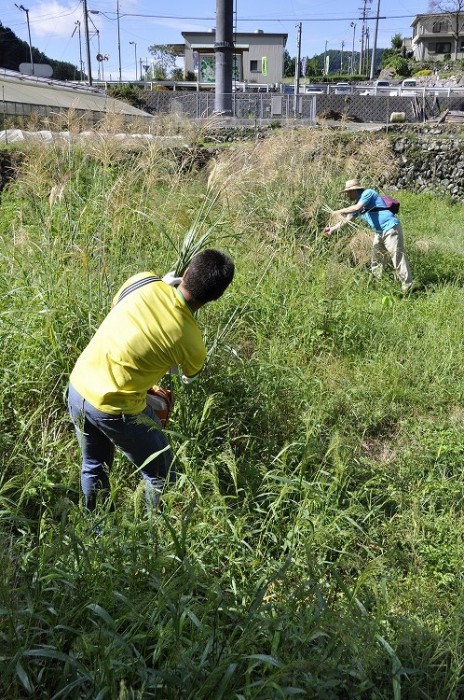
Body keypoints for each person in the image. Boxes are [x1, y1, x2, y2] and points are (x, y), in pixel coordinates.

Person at [68, 249, 235, 512]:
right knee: (162, 475)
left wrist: (162, 285)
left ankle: (95, 530)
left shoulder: (143, 280)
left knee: (94, 465)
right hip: (115, 408)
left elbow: (119, 309)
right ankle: (147, 540)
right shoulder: (192, 342)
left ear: (186, 273)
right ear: (216, 297)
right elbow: (189, 376)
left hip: (78, 386)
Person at [324, 178, 413, 292]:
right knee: (376, 260)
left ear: (354, 191)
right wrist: (332, 229)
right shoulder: (358, 202)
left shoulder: (368, 193)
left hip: (390, 228)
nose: (347, 195)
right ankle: (377, 286)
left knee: (397, 257)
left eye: (348, 192)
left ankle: (407, 286)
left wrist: (339, 211)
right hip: (379, 232)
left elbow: (357, 208)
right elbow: (347, 219)